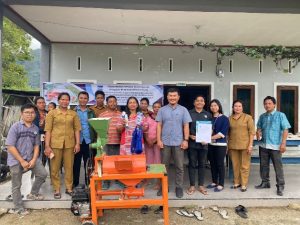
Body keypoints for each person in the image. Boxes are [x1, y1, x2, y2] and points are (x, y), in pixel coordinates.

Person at [6, 103, 47, 215]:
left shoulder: (35, 128)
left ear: (35, 114)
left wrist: (34, 160)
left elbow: (36, 146)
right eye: (27, 112)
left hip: (30, 158)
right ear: (22, 114)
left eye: (32, 112)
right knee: (17, 185)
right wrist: (22, 161)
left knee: (42, 174)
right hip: (16, 160)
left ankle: (33, 193)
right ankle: (18, 208)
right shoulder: (15, 127)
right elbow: (10, 146)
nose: (30, 114)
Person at [44, 92, 81, 199]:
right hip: (55, 144)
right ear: (58, 100)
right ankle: (57, 189)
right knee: (55, 168)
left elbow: (77, 130)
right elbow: (48, 130)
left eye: (67, 100)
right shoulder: (52, 113)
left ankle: (69, 188)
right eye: (62, 99)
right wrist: (47, 145)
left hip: (70, 144)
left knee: (69, 167)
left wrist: (77, 143)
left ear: (69, 101)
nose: (65, 101)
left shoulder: (73, 114)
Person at [156, 88, 192, 198]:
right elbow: (159, 125)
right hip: (165, 142)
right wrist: (158, 140)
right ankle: (163, 186)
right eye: (170, 96)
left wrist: (186, 140)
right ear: (167, 97)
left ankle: (179, 187)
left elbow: (186, 125)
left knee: (179, 167)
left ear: (178, 97)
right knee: (163, 166)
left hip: (179, 142)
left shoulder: (183, 110)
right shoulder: (162, 110)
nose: (172, 97)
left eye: (174, 96)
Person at [255, 96, 290, 196]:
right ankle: (265, 182)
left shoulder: (280, 115)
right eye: (265, 103)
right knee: (263, 166)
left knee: (278, 167)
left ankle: (280, 186)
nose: (267, 105)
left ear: (274, 104)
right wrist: (258, 132)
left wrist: (283, 143)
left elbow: (285, 129)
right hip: (264, 145)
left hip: (276, 146)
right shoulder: (262, 116)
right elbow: (259, 127)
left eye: (269, 103)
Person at [186, 95, 212, 195]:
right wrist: (189, 136)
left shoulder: (208, 114)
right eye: (197, 101)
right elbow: (185, 127)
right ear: (194, 102)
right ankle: (192, 185)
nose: (199, 102)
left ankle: (201, 185)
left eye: (202, 101)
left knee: (202, 165)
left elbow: (211, 129)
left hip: (204, 145)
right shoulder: (189, 113)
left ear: (204, 103)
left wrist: (207, 138)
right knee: (192, 164)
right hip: (192, 144)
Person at [228, 100, 255, 192]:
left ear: (242, 107)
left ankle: (244, 184)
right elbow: (227, 133)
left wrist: (250, 145)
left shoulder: (248, 117)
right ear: (233, 107)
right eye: (235, 106)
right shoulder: (230, 118)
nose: (237, 108)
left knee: (245, 166)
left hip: (245, 145)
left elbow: (252, 132)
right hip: (232, 145)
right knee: (235, 165)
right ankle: (237, 182)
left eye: (239, 106)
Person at [99, 95, 122, 189]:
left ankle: (118, 179)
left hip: (118, 142)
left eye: (114, 101)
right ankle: (106, 181)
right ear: (107, 103)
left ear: (116, 103)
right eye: (110, 102)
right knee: (106, 163)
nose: (112, 103)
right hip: (106, 143)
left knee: (118, 162)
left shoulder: (121, 114)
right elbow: (99, 129)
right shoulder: (102, 115)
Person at [73, 91, 96, 188]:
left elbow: (95, 126)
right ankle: (75, 183)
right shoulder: (73, 111)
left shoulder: (91, 112)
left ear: (88, 100)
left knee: (89, 163)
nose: (83, 100)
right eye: (81, 98)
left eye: (85, 98)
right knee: (76, 163)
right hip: (76, 141)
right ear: (78, 99)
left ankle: (88, 183)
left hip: (88, 140)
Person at [207, 99, 229, 192]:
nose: (213, 107)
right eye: (212, 106)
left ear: (219, 106)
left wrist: (209, 138)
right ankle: (214, 181)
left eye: (215, 105)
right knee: (212, 163)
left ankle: (221, 184)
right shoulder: (209, 118)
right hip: (211, 145)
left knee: (220, 164)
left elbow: (222, 133)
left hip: (220, 144)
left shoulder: (224, 118)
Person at [33, 97, 48, 166]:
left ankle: (43, 169)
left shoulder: (49, 113)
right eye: (40, 103)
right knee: (37, 155)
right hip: (36, 137)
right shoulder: (33, 114)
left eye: (43, 102)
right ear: (36, 105)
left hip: (48, 137)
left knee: (46, 155)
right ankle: (37, 172)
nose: (42, 104)